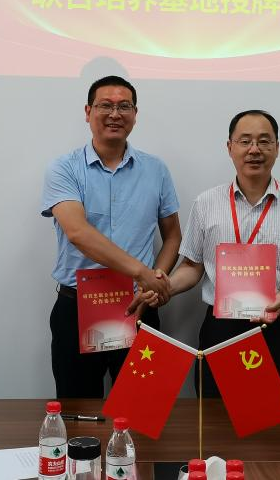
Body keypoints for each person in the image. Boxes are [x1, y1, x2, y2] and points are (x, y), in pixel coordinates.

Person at [135, 110, 280, 398]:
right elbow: (192, 266)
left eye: (264, 141)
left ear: (277, 148)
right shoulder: (207, 203)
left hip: (279, 328)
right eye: (245, 141)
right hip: (222, 332)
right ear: (230, 147)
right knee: (218, 420)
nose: (254, 149)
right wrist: (166, 286)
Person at [40, 75, 180, 398]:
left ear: (135, 114)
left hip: (139, 306)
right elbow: (78, 233)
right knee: (78, 412)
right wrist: (142, 272)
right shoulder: (64, 169)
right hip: (78, 309)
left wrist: (156, 279)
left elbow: (173, 236)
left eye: (124, 106)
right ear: (88, 112)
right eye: (105, 105)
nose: (115, 114)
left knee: (142, 408)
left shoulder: (156, 170)